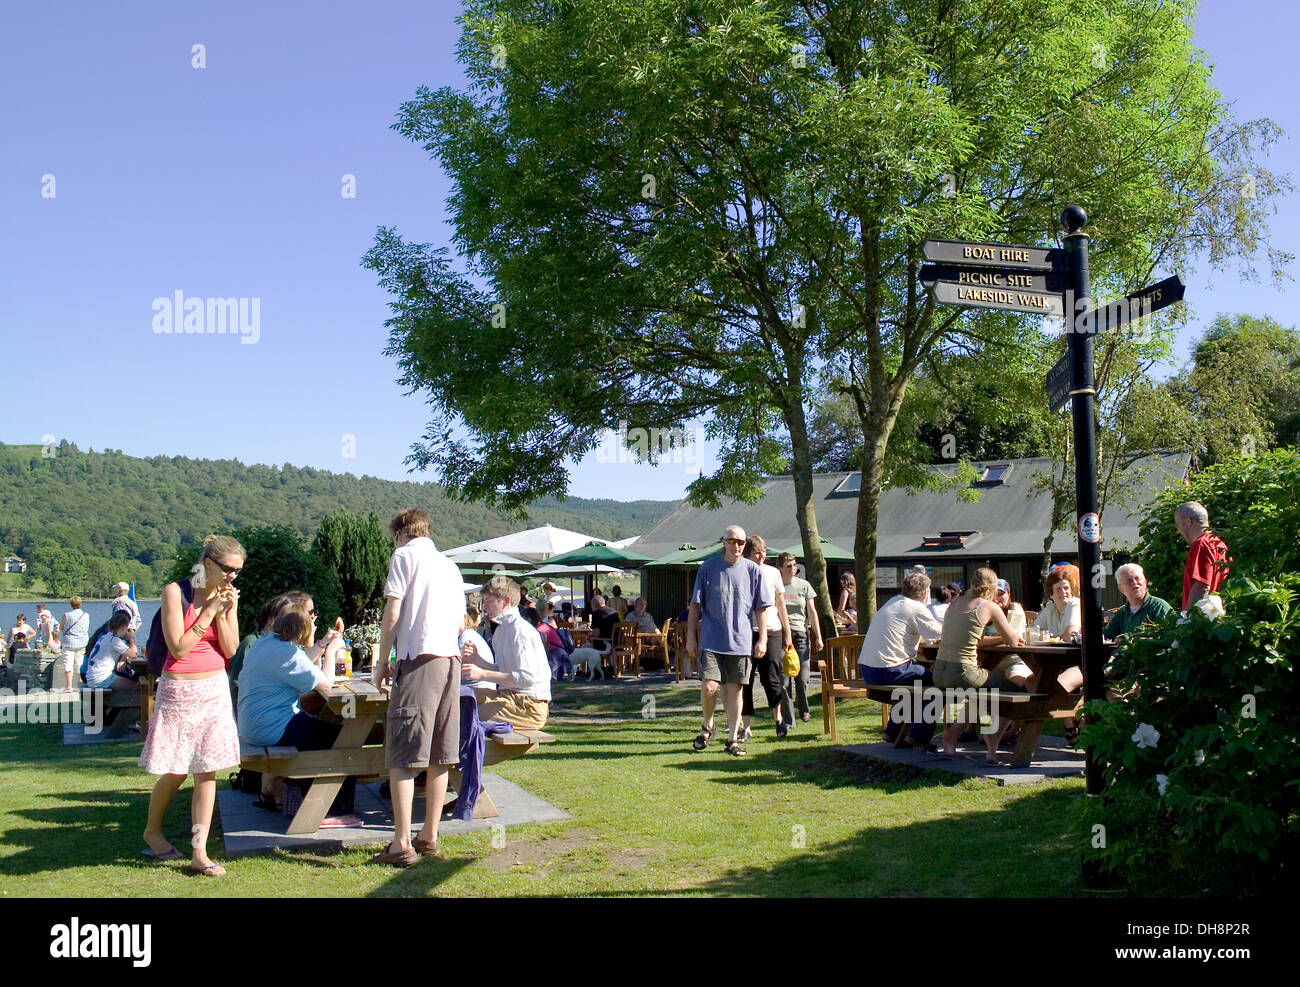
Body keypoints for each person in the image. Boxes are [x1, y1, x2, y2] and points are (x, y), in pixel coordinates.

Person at [139, 535, 245, 877]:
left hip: (214, 689)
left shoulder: (227, 595)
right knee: (175, 769)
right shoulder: (176, 591)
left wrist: (227, 610)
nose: (232, 576)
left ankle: (200, 851)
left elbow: (230, 650)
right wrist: (210, 610)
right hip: (179, 691)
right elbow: (179, 647)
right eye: (227, 569)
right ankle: (152, 831)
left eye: (238, 571)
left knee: (207, 770)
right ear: (208, 563)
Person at [371, 508, 466, 867]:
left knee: (403, 751)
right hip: (450, 661)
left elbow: (392, 613)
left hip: (418, 659)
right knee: (440, 750)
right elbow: (460, 624)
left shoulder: (403, 556)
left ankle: (401, 843)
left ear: (399, 534)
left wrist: (382, 662)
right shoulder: (449, 566)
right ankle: (429, 835)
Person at [237, 600, 346, 810]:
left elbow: (298, 662)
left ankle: (298, 796)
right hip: (272, 728)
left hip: (252, 726)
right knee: (343, 741)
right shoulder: (288, 654)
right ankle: (332, 809)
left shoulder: (264, 644)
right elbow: (326, 685)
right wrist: (331, 653)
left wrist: (322, 644)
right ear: (303, 629)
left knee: (322, 731)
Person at [686, 524, 772, 756]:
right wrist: (691, 637)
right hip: (711, 640)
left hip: (740, 641)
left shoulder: (753, 571)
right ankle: (708, 725)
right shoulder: (708, 568)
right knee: (709, 686)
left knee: (735, 692)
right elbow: (695, 605)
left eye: (741, 542)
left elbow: (761, 609)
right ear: (723, 542)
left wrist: (762, 638)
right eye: (732, 541)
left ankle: (733, 739)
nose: (736, 546)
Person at [933, 567, 1026, 762]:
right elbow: (1013, 641)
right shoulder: (989, 606)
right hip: (962, 671)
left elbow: (972, 639)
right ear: (991, 588)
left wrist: (996, 639)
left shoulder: (954, 604)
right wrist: (1005, 637)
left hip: (939, 671)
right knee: (1016, 691)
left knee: (980, 695)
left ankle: (952, 737)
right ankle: (992, 738)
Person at [858, 568, 944, 750]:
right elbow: (939, 634)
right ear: (926, 593)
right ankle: (919, 736)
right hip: (889, 670)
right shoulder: (916, 608)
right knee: (936, 683)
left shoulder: (892, 602)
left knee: (914, 685)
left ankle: (893, 731)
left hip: (867, 670)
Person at [462, 575, 552, 729]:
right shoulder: (502, 630)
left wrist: (481, 674)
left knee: (461, 712)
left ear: (506, 601)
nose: (484, 607)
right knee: (459, 697)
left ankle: (465, 753)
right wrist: (478, 660)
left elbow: (526, 678)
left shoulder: (520, 630)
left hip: (530, 707)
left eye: (488, 601)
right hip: (511, 698)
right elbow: (505, 671)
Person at [739, 536, 794, 739]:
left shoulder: (773, 573)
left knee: (772, 675)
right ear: (747, 555)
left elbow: (781, 604)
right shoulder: (741, 571)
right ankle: (745, 726)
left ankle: (778, 719)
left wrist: (787, 632)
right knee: (745, 678)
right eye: (757, 552)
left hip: (772, 629)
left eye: (764, 551)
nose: (762, 555)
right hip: (747, 631)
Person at [228, 590, 312, 707]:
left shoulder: (284, 644)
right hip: (262, 708)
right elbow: (236, 685)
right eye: (285, 617)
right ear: (271, 619)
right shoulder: (252, 643)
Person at [778, 553, 823, 723]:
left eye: (795, 565)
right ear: (780, 568)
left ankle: (803, 709)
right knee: (784, 679)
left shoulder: (804, 586)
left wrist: (818, 636)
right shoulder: (776, 586)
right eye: (788, 566)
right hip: (782, 636)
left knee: (802, 677)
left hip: (801, 634)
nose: (793, 569)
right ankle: (789, 719)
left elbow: (812, 612)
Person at [1176, 501, 1231, 611]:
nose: (1178, 531)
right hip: (1215, 614)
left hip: (1202, 618)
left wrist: (1187, 618)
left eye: (1178, 525)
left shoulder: (1201, 544)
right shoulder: (1218, 544)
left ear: (1188, 521)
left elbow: (1202, 585)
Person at [1106, 563, 1174, 639]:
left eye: (1137, 578)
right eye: (1129, 580)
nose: (1135, 583)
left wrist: (1133, 640)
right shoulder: (1121, 614)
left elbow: (1169, 637)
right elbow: (1106, 637)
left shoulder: (1159, 607)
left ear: (1145, 582)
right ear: (1120, 588)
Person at [83, 610, 138, 693]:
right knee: (137, 687)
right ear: (123, 627)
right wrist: (132, 639)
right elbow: (134, 655)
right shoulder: (115, 641)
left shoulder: (106, 636)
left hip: (92, 677)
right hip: (101, 678)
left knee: (132, 682)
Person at [58, 597, 91, 692]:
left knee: (68, 663)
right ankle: (80, 682)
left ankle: (69, 686)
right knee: (80, 663)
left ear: (71, 604)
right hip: (82, 641)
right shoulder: (86, 615)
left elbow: (61, 627)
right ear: (81, 604)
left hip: (69, 642)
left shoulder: (67, 615)